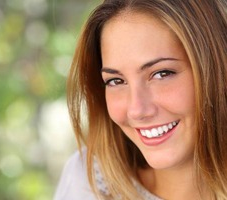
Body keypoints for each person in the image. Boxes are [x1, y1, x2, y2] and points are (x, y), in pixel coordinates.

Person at [54, 0, 227, 199]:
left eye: (162, 74)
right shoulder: (87, 184)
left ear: (217, 69)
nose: (137, 110)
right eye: (116, 81)